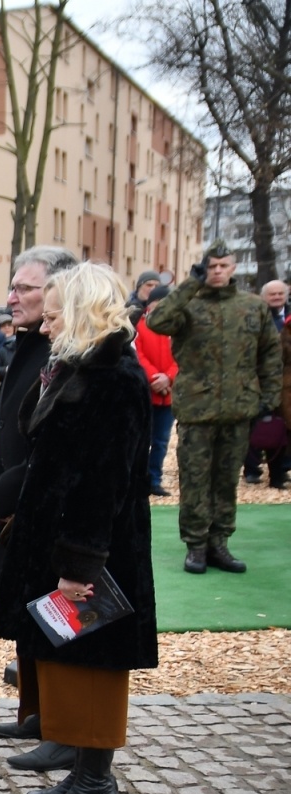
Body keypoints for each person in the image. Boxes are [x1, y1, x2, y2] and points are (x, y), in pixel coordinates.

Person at [0, 262, 158, 794]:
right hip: (65, 538)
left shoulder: (114, 378)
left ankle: (96, 786)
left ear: (82, 313)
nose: (47, 326)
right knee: (73, 659)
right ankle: (82, 775)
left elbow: (102, 479)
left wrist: (80, 565)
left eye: (55, 316)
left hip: (95, 549)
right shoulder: (80, 367)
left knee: (94, 666)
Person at [0, 245, 78, 755]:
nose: (12, 298)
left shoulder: (69, 352)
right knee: (28, 614)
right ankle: (37, 714)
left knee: (53, 617)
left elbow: (51, 443)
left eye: (25, 288)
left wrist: (6, 491)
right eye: (12, 287)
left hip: (43, 505)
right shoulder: (29, 344)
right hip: (17, 503)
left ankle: (62, 726)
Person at [145, 240, 283, 573]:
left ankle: (219, 543)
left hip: (239, 407)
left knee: (226, 480)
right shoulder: (187, 305)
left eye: (223, 266)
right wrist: (189, 284)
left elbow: (270, 353)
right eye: (211, 266)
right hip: (197, 409)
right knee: (194, 479)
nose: (217, 271)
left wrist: (269, 398)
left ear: (233, 268)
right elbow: (156, 321)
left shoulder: (252, 306)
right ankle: (195, 545)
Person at [242, 279, 288, 485]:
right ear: (263, 297)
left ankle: (279, 470)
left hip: (285, 383)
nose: (277, 297)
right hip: (256, 379)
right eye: (272, 294)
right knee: (255, 424)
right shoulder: (253, 316)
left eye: (280, 293)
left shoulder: (288, 317)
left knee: (280, 426)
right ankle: (252, 469)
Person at [134, 285, 178, 495]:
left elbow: (183, 356)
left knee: (161, 441)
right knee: (141, 440)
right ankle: (138, 479)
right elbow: (138, 355)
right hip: (147, 392)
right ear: (149, 305)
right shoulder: (140, 326)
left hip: (168, 393)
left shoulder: (178, 328)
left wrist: (168, 377)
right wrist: (153, 377)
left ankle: (154, 479)